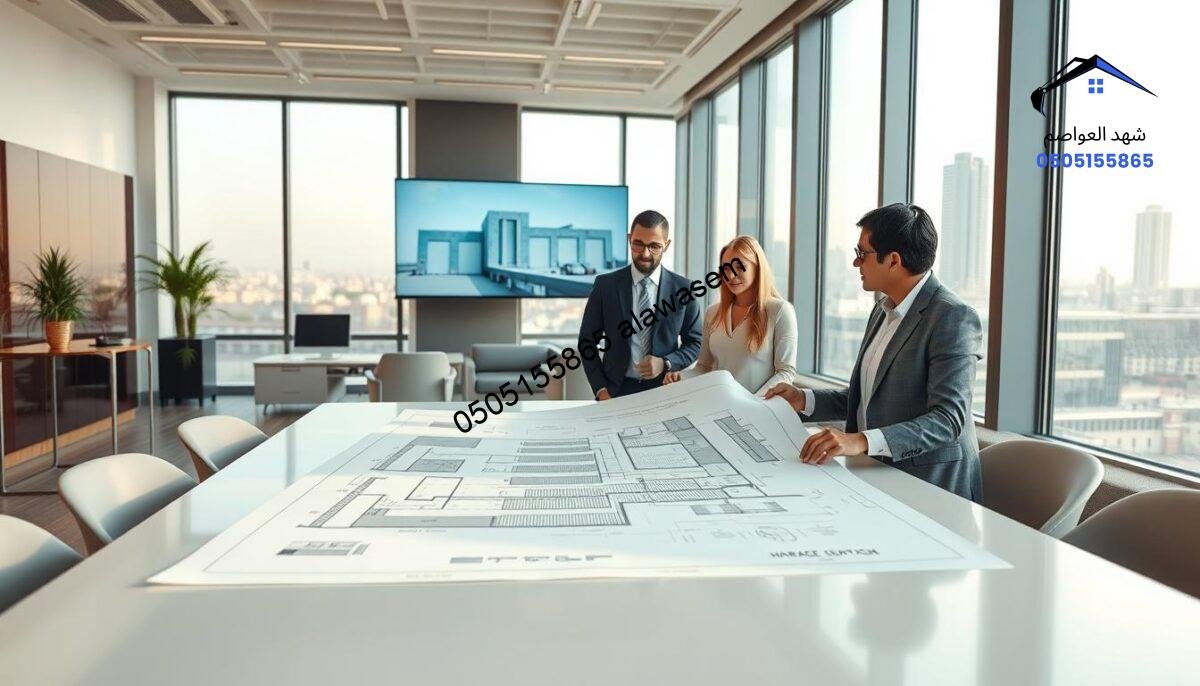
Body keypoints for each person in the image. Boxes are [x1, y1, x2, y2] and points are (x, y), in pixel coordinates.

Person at [765, 203, 983, 501]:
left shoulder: (952, 316)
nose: (856, 264)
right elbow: (867, 397)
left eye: (861, 254)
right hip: (877, 477)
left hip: (932, 488)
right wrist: (803, 399)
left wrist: (860, 441)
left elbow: (948, 419)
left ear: (893, 261)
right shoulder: (882, 310)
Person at [578, 210, 703, 399]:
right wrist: (601, 390)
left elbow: (695, 343)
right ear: (630, 239)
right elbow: (587, 342)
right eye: (638, 244)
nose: (645, 253)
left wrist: (666, 363)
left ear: (666, 245)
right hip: (615, 393)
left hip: (665, 392)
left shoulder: (684, 289)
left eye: (654, 246)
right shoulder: (605, 286)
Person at [662, 235, 797, 394]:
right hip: (720, 406)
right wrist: (681, 378)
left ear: (758, 267)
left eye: (740, 267)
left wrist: (755, 401)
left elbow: (785, 372)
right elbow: (704, 367)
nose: (731, 275)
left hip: (758, 409)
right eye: (726, 268)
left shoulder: (780, 311)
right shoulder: (713, 313)